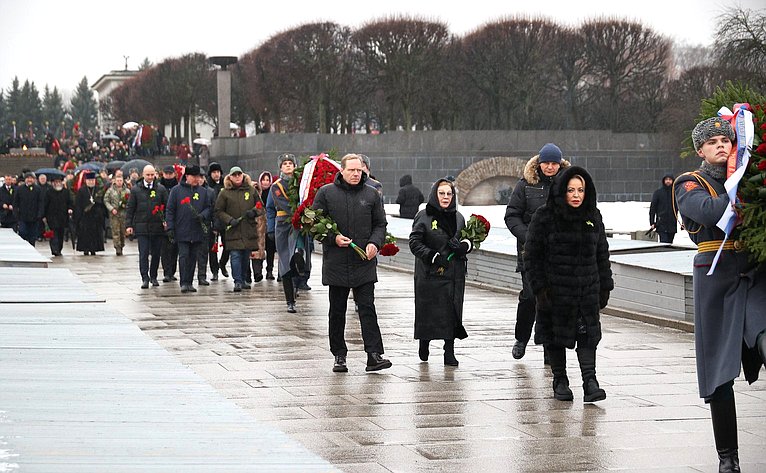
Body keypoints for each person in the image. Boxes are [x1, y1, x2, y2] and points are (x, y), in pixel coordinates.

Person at [674, 116, 766, 473]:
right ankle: (728, 458)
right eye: (712, 142)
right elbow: (711, 212)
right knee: (719, 374)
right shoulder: (688, 184)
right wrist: (741, 180)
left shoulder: (745, 176)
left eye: (726, 140)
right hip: (716, 278)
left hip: (755, 273)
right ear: (700, 149)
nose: (721, 145)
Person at [524, 165, 613, 403]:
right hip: (556, 291)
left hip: (586, 290)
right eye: (571, 190)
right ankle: (560, 379)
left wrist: (605, 285)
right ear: (562, 191)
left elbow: (602, 254)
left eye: (580, 190)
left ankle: (590, 381)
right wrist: (540, 289)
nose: (576, 195)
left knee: (587, 336)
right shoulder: (544, 217)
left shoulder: (592, 217)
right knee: (556, 337)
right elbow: (532, 255)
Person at [312, 154, 391, 373]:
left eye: (359, 171)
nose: (356, 174)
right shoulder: (326, 193)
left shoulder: (372, 194)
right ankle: (339, 355)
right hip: (337, 262)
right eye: (352, 170)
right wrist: (333, 239)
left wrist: (375, 243)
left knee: (367, 308)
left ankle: (374, 355)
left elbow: (380, 224)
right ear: (342, 171)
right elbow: (315, 223)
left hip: (363, 262)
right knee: (337, 311)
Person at [504, 143, 569, 364]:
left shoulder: (569, 185)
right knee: (530, 297)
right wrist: (529, 236)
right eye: (546, 163)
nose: (550, 167)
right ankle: (521, 338)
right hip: (530, 253)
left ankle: (549, 347)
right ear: (539, 163)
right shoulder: (525, 185)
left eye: (554, 163)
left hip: (558, 254)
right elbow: (512, 215)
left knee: (552, 301)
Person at [408, 178, 472, 366]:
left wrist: (464, 247)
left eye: (449, 194)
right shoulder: (424, 216)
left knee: (452, 311)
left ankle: (449, 351)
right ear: (435, 194)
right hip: (430, 274)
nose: (445, 197)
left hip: (454, 275)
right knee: (428, 311)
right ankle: (424, 342)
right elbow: (414, 242)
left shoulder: (459, 217)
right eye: (442, 193)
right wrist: (432, 256)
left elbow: (468, 239)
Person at [266, 154, 308, 312]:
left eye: (291, 163)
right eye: (285, 163)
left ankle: (299, 281)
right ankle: (290, 300)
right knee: (285, 262)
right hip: (284, 225)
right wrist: (302, 213)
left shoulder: (302, 183)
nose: (288, 166)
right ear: (280, 167)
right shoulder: (276, 186)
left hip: (299, 226)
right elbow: (283, 204)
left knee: (298, 255)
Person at [214, 166, 265, 292]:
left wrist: (254, 212)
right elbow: (218, 211)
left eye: (239, 174)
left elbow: (260, 207)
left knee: (245, 256)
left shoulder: (251, 190)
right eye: (234, 175)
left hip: (248, 229)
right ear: (230, 177)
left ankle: (243, 279)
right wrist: (229, 220)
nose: (237, 177)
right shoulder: (224, 192)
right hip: (233, 229)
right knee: (235, 255)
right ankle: (237, 280)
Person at [166, 165, 213, 293]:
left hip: (197, 230)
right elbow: (170, 210)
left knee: (193, 257)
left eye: (199, 176)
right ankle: (184, 282)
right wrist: (170, 227)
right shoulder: (176, 191)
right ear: (187, 176)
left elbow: (209, 207)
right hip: (182, 229)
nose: (197, 179)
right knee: (184, 256)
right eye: (195, 176)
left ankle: (190, 282)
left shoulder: (203, 192)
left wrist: (202, 215)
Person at [126, 165, 168, 289]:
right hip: (142, 227)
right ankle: (145, 277)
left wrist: (165, 221)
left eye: (152, 175)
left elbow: (167, 207)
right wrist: (129, 225)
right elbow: (130, 208)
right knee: (143, 253)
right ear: (143, 175)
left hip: (157, 227)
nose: (150, 177)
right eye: (148, 175)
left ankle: (153, 276)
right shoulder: (135, 190)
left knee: (156, 254)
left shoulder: (161, 189)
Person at [74, 171, 106, 255]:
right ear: (86, 181)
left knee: (95, 233)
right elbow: (78, 204)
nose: (91, 182)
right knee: (85, 234)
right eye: (89, 180)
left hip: (96, 216)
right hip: (85, 217)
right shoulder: (81, 190)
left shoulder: (98, 190)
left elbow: (102, 202)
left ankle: (94, 249)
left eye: (92, 180)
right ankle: (85, 249)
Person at [42, 175, 73, 256]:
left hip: (62, 217)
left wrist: (70, 208)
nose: (58, 184)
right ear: (53, 183)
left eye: (59, 182)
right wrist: (43, 215)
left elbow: (70, 202)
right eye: (56, 182)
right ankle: (54, 249)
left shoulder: (66, 192)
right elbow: (45, 204)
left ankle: (59, 248)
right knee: (53, 234)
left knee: (60, 234)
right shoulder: (49, 192)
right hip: (51, 217)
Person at [159, 165, 180, 283]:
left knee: (174, 248)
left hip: (176, 222)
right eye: (166, 173)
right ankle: (166, 272)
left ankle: (172, 271)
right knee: (165, 249)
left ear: (174, 174)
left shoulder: (178, 187)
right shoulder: (159, 187)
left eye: (170, 173)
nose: (168, 176)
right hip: (162, 222)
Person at [13, 172, 43, 245]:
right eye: (28, 178)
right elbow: (15, 203)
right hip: (23, 217)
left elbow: (41, 202)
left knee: (32, 236)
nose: (29, 180)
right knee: (22, 233)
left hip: (34, 217)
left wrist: (40, 214)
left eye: (31, 178)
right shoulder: (20, 189)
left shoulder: (38, 189)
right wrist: (16, 214)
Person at [206, 162, 225, 280]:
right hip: (213, 221)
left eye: (218, 172)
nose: (216, 174)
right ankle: (215, 271)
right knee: (213, 248)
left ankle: (222, 263)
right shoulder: (208, 187)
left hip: (225, 220)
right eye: (214, 172)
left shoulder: (226, 184)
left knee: (227, 246)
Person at [104, 174, 130, 255]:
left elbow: (130, 201)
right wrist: (111, 209)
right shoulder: (110, 190)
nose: (119, 182)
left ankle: (122, 245)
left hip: (123, 214)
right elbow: (106, 200)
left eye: (121, 181)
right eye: (118, 180)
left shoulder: (127, 191)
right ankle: (117, 247)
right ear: (115, 181)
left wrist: (126, 206)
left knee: (122, 231)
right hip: (114, 214)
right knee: (115, 231)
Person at [256, 171, 276, 280]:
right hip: (258, 225)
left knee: (270, 248)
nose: (265, 182)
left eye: (267, 180)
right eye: (263, 179)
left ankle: (270, 270)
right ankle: (258, 270)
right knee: (259, 248)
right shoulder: (256, 192)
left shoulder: (273, 192)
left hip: (269, 224)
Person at [649, 174, 678, 243]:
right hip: (661, 223)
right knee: (664, 242)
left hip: (672, 223)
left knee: (670, 243)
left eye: (670, 180)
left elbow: (682, 208)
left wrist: (684, 223)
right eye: (666, 180)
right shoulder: (658, 193)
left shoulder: (676, 193)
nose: (668, 181)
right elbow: (653, 208)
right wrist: (652, 222)